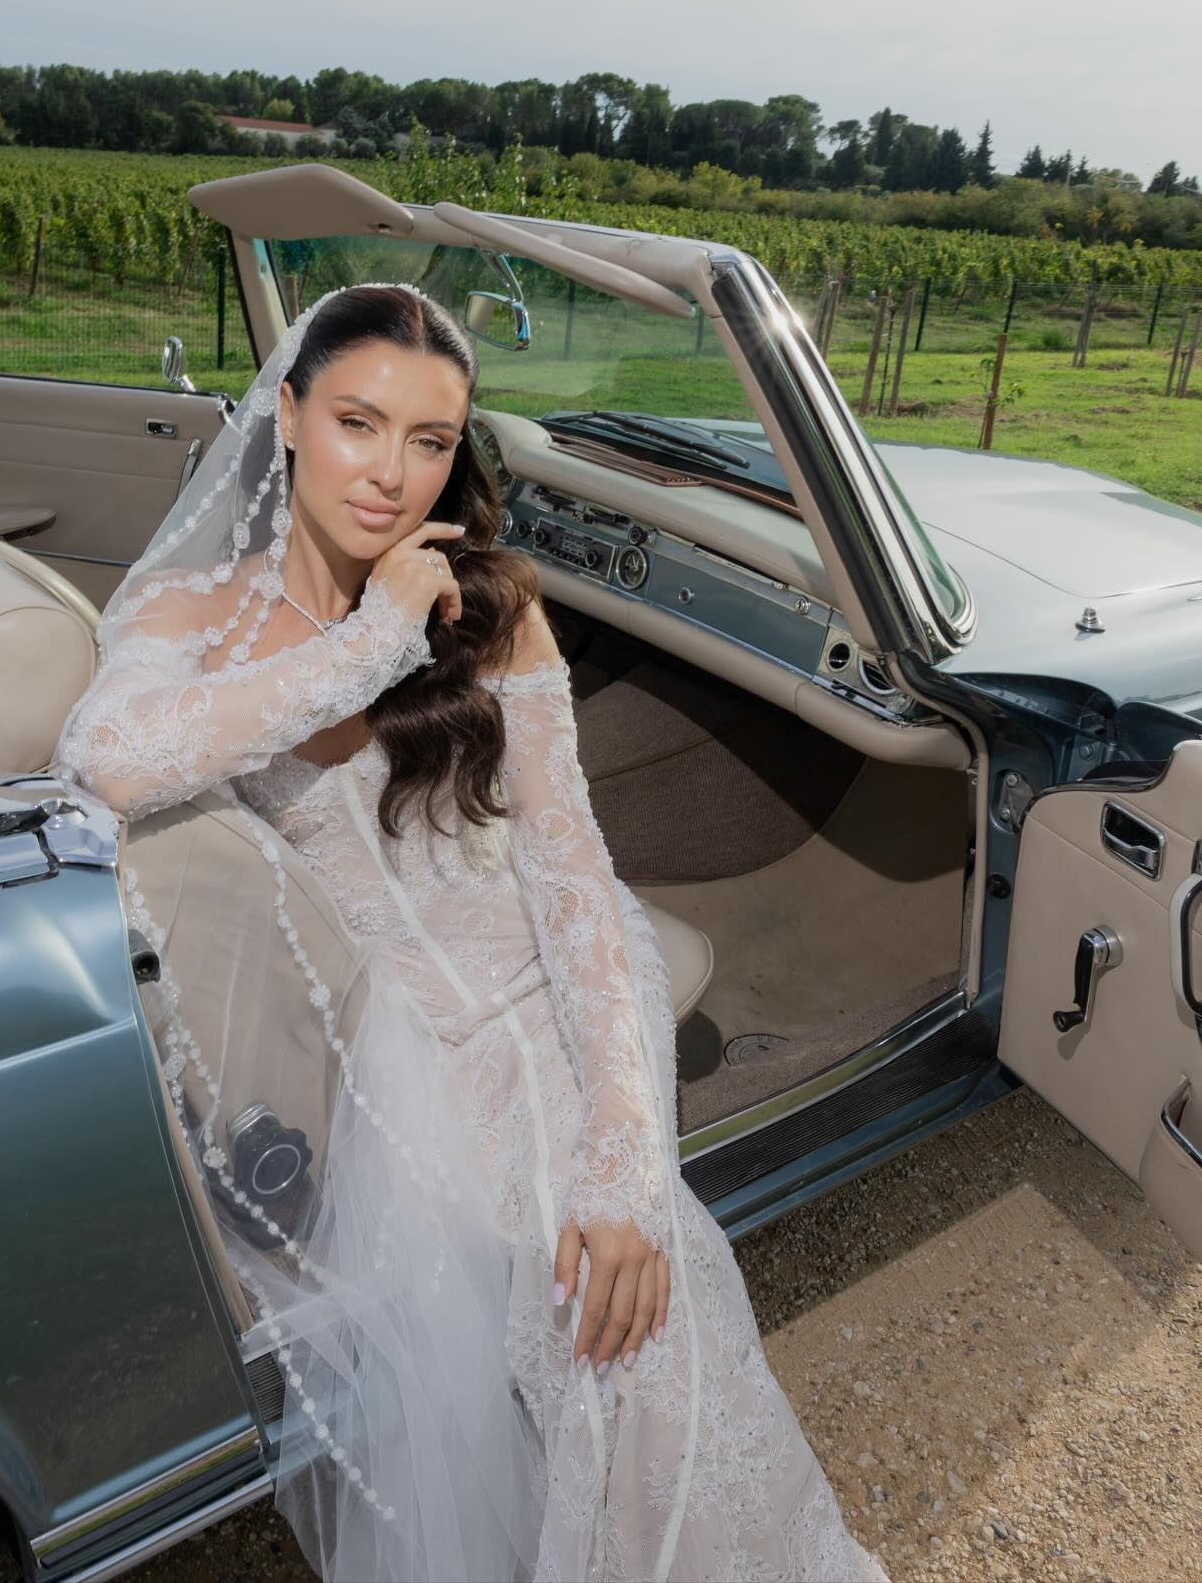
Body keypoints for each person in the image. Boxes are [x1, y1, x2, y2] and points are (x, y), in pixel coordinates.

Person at [51, 284, 890, 1583]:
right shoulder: (187, 616)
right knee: (608, 1316)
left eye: (430, 441)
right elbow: (105, 761)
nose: (390, 474)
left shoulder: (494, 606)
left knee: (654, 1281)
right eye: (357, 423)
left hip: (548, 1017)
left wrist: (623, 1152)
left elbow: (576, 888)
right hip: (396, 1075)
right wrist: (370, 644)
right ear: (284, 415)